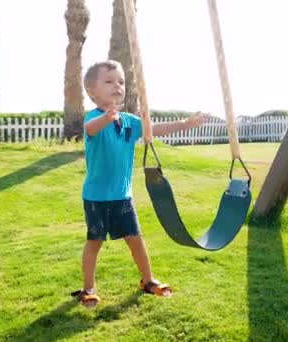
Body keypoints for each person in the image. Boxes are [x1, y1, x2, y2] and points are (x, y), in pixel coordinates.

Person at [72, 60, 206, 307]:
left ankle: (148, 280)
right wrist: (107, 117)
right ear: (92, 91)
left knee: (135, 238)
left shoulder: (129, 121)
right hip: (97, 197)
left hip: (122, 196)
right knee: (95, 241)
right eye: (109, 81)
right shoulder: (93, 118)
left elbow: (152, 129)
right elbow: (90, 129)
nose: (117, 86)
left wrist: (184, 125)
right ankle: (88, 288)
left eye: (121, 82)